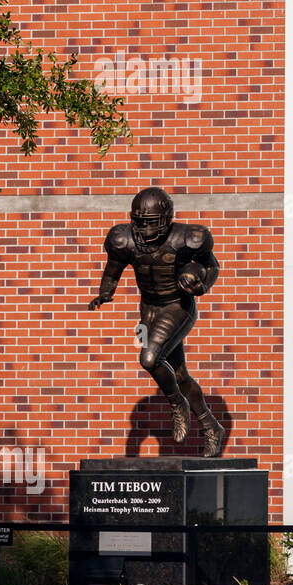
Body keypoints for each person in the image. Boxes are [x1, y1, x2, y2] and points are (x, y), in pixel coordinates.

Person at [88, 187, 226, 457]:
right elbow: (113, 269)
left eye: (149, 222)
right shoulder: (123, 239)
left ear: (166, 218)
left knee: (149, 358)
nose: (143, 228)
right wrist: (104, 294)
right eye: (138, 222)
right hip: (148, 308)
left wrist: (201, 285)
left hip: (177, 306)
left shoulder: (189, 238)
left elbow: (212, 266)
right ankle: (211, 425)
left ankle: (177, 404)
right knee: (179, 375)